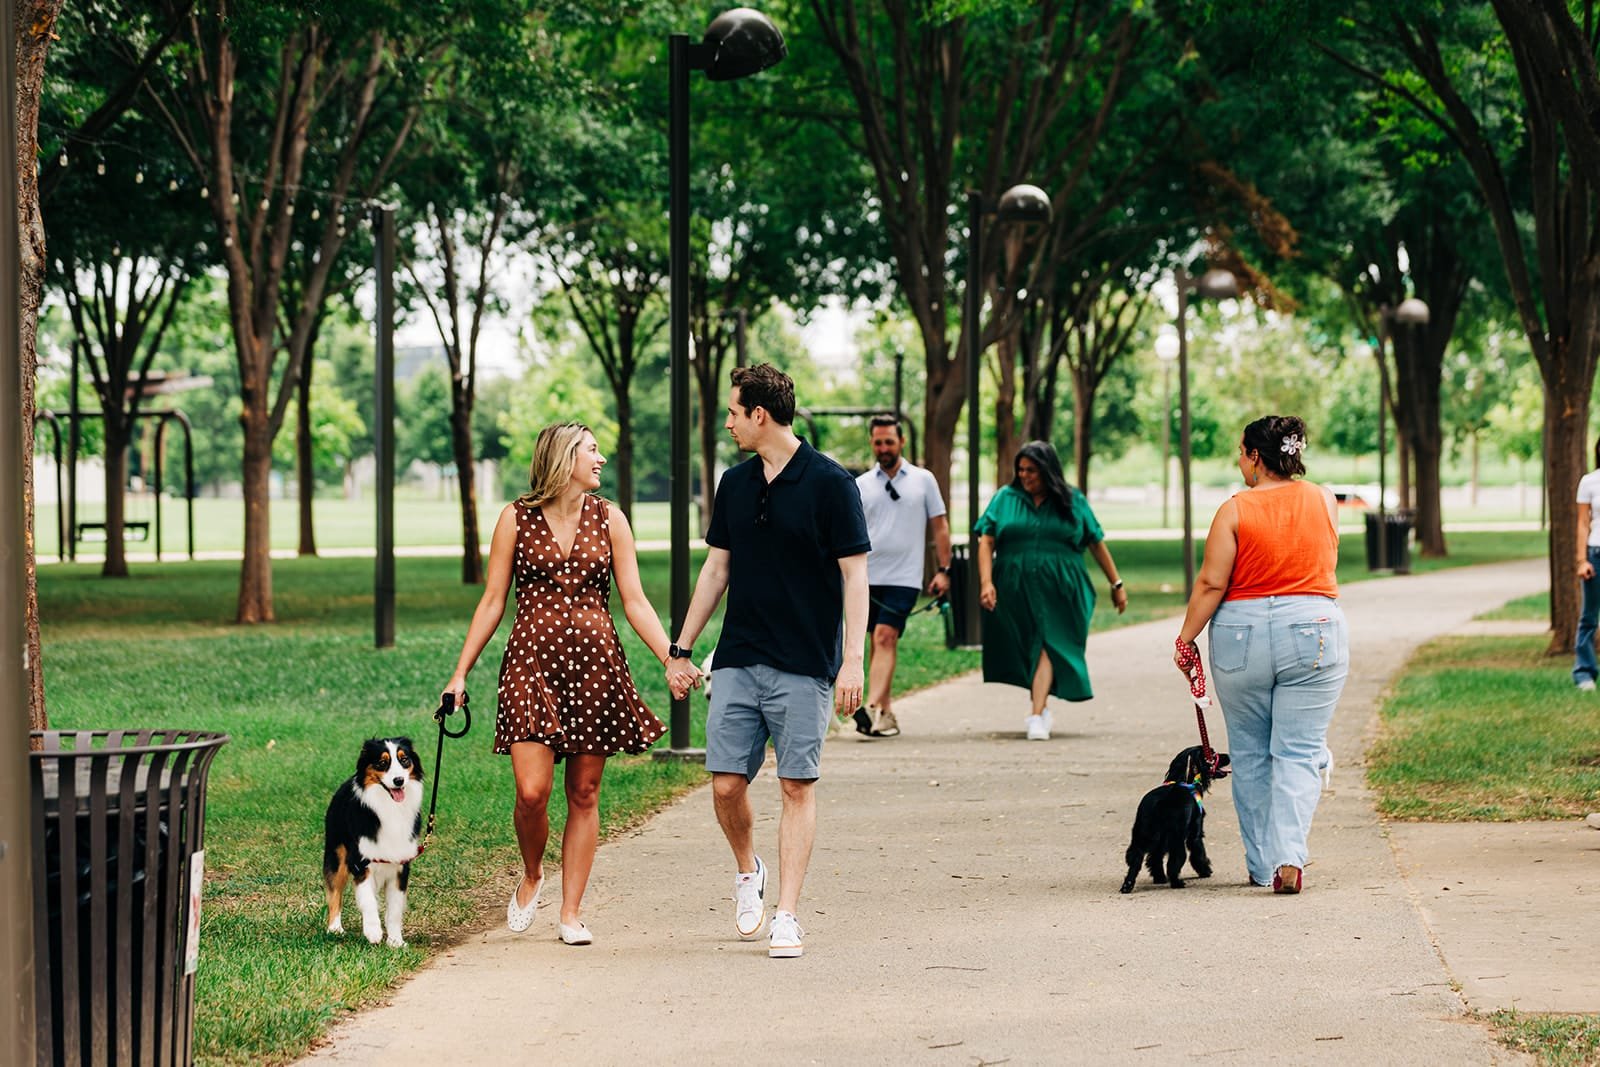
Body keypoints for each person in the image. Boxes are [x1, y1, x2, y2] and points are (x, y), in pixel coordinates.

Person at [664, 363, 870, 959]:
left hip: (805, 663)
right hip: (738, 657)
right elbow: (717, 569)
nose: (727, 422)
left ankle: (787, 913)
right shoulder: (734, 483)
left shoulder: (832, 484)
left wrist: (851, 661)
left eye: (733, 411)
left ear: (759, 413)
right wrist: (681, 647)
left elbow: (856, 575)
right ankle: (746, 869)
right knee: (726, 785)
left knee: (796, 785)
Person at [442, 422, 669, 945]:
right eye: (593, 450)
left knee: (584, 792)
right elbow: (494, 601)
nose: (602, 459)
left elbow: (633, 599)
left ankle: (570, 912)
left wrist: (668, 658)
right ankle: (532, 872)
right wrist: (460, 673)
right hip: (531, 666)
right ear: (565, 457)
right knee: (532, 792)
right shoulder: (514, 518)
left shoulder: (610, 518)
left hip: (595, 667)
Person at [1173, 414, 1349, 896]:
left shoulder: (1233, 510)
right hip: (1311, 628)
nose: (1239, 460)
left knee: (1250, 754)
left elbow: (1211, 583)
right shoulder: (1323, 499)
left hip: (1240, 634)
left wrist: (1186, 639)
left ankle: (1260, 864)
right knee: (1298, 750)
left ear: (1255, 456)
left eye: (1241, 452)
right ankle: (1288, 857)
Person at [975, 440, 1127, 741]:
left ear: (1047, 470)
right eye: (1020, 470)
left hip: (1063, 589)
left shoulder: (1072, 500)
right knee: (1030, 643)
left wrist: (1116, 584)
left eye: (1031, 470)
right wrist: (986, 581)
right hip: (1015, 588)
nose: (1024, 476)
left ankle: (1036, 713)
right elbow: (986, 540)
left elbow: (1096, 542)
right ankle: (1040, 707)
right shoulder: (1005, 498)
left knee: (1049, 641)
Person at [851, 413, 952, 738]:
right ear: (872, 442)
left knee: (884, 637)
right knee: (878, 642)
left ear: (902, 442)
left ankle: (870, 708)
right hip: (866, 578)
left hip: (905, 578)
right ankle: (887, 713)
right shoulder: (861, 485)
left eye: (889, 442)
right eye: (878, 442)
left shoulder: (923, 480)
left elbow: (940, 526)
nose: (884, 448)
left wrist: (944, 570)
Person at [1572, 435, 1600, 691]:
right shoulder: (1589, 482)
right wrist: (1582, 560)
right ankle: (1584, 673)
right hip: (1596, 553)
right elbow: (1582, 523)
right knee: (1589, 617)